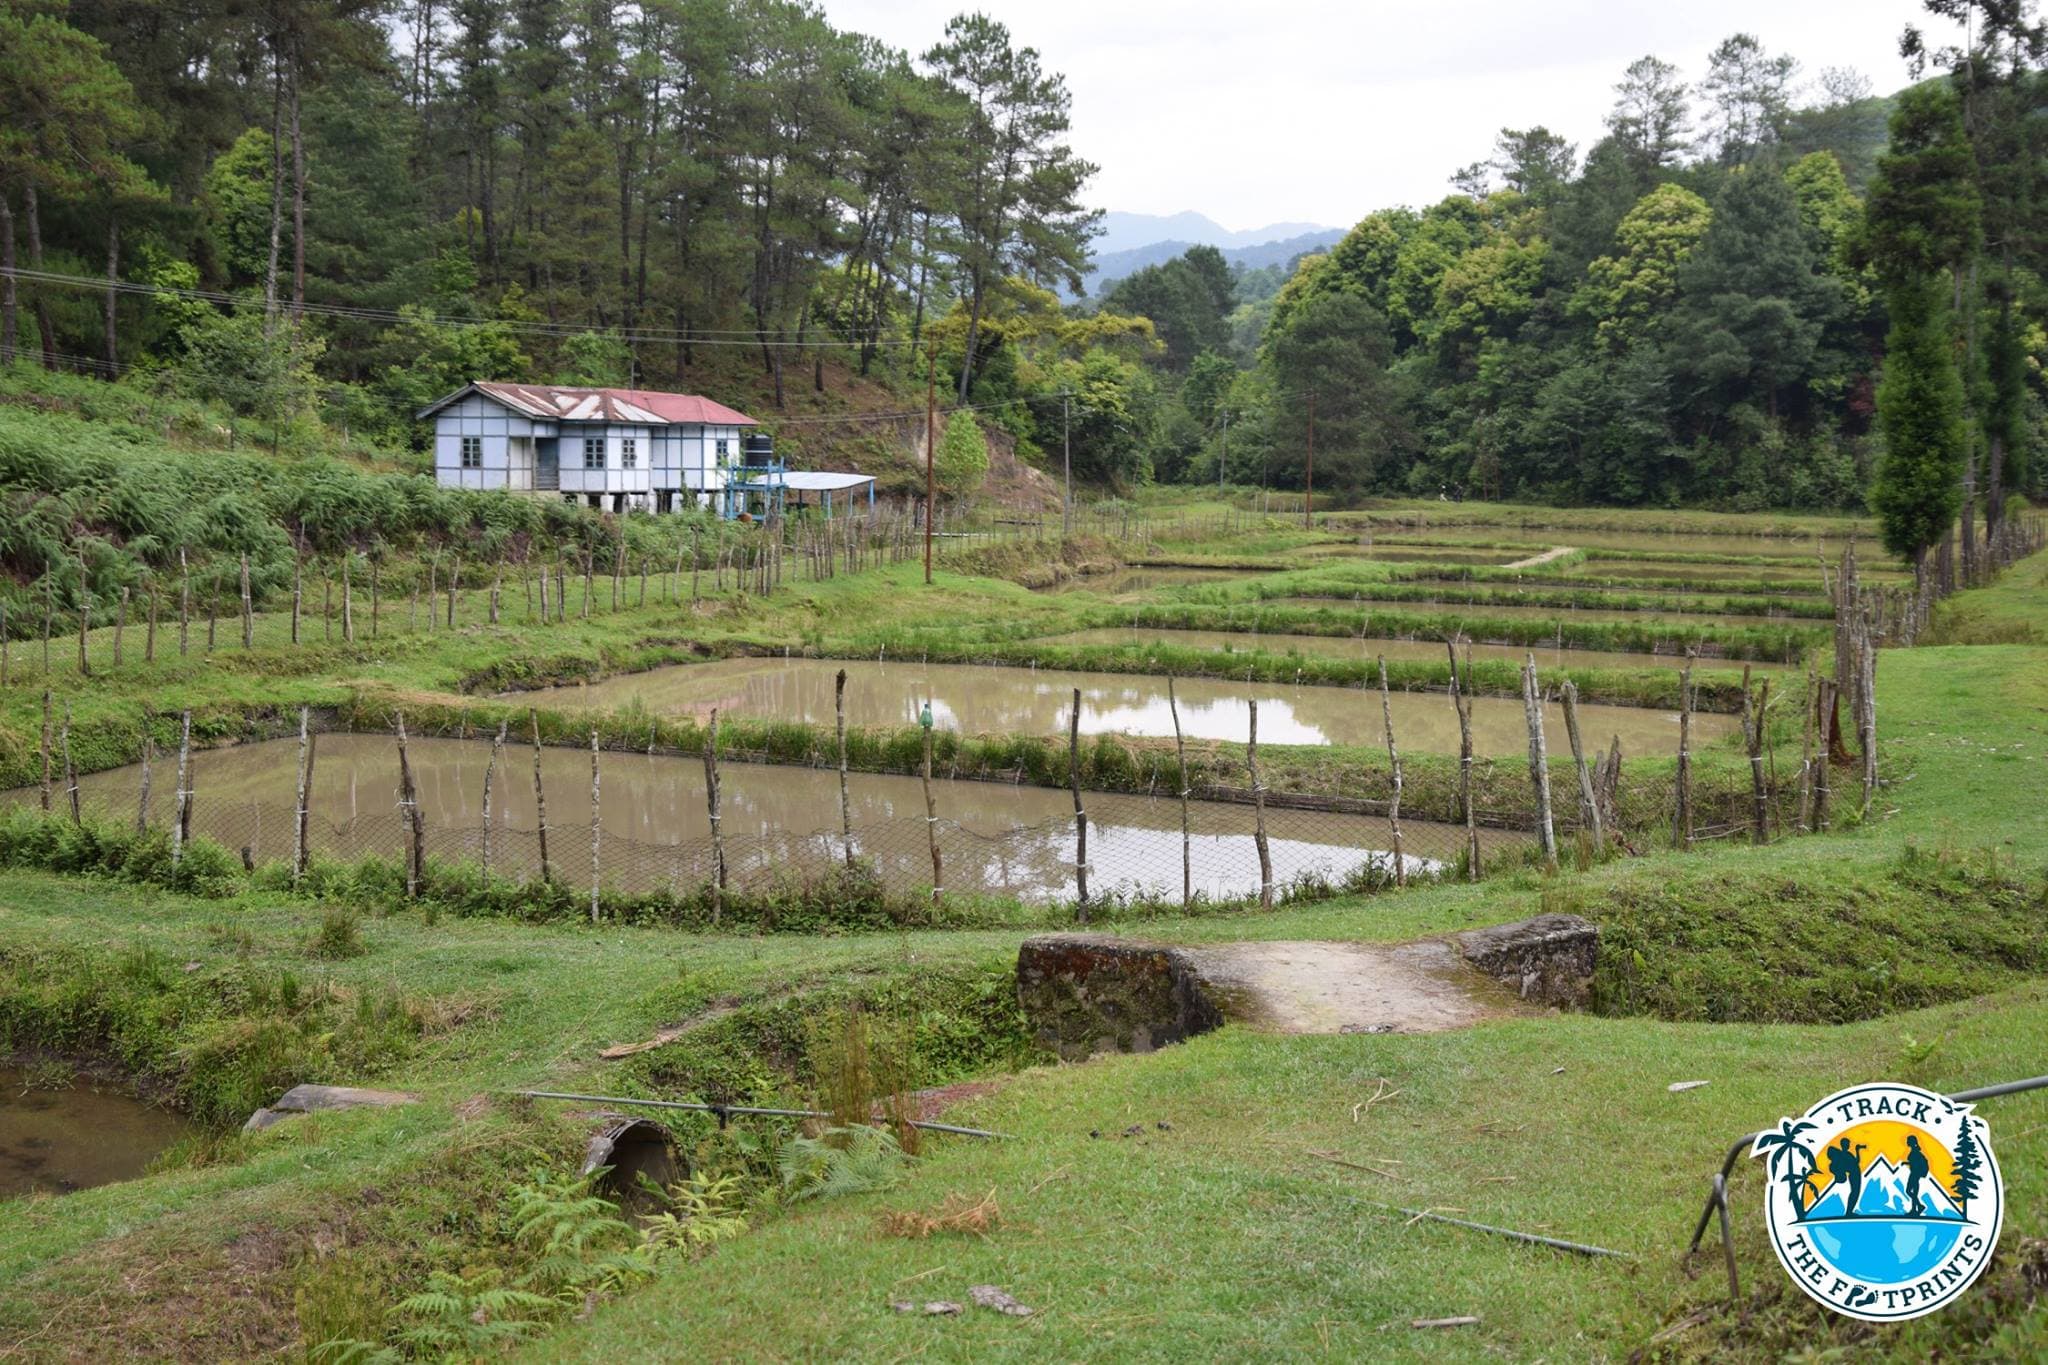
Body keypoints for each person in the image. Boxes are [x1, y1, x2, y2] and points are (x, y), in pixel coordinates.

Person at [1824, 1137, 1864, 1216]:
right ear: (1844, 1145)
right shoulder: (1845, 1154)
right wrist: (1857, 1150)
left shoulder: (1844, 1154)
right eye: (1847, 1144)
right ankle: (1849, 1212)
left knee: (1854, 1193)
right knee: (1855, 1193)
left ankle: (1849, 1211)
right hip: (1854, 1174)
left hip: (1854, 1174)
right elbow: (1856, 1162)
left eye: (1848, 1144)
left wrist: (1857, 1150)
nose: (1849, 1145)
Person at [1904, 1135, 1930, 1217]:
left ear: (1911, 1142)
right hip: (1915, 1174)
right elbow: (1914, 1162)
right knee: (1913, 1192)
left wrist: (1908, 1163)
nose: (1907, 1142)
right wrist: (1906, 1163)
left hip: (1914, 1174)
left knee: (1909, 1191)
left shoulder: (1915, 1152)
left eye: (1908, 1141)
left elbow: (1915, 1163)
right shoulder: (1915, 1151)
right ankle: (1916, 1208)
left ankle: (1917, 1207)